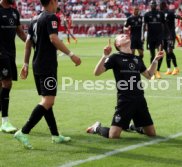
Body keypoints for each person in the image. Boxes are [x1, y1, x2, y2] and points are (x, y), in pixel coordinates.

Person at [14, 0, 81, 149]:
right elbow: (54, 38)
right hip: (47, 64)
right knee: (48, 101)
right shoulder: (51, 17)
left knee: (46, 100)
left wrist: (25, 64)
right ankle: (24, 131)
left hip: (36, 63)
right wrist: (71, 55)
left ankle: (55, 135)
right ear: (52, 2)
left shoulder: (35, 19)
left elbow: (28, 43)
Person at [86, 34, 164, 139]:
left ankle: (133, 127)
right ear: (118, 44)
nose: (126, 36)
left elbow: (149, 75)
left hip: (140, 99)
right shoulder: (114, 57)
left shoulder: (137, 58)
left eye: (126, 35)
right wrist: (104, 56)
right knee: (113, 136)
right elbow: (97, 72)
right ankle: (96, 128)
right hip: (125, 100)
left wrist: (155, 60)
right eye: (122, 36)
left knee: (152, 134)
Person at [0, 0, 26, 133]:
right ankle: (4, 122)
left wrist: (33, 43)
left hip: (11, 53)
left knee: (2, 84)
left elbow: (20, 32)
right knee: (7, 83)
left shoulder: (14, 12)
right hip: (1, 53)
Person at [143, 0, 165, 79]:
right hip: (150, 37)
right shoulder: (147, 14)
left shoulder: (161, 14)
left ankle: (158, 71)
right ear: (150, 5)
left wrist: (164, 36)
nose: (153, 5)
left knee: (160, 54)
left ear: (156, 5)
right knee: (152, 55)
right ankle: (153, 72)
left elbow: (164, 24)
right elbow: (144, 25)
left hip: (159, 36)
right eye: (152, 4)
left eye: (154, 4)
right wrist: (142, 36)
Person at [160, 2, 180, 76]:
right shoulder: (160, 14)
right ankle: (169, 69)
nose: (160, 6)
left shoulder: (170, 12)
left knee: (169, 51)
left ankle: (176, 68)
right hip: (163, 36)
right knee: (167, 52)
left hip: (170, 35)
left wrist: (181, 17)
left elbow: (176, 16)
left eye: (161, 4)